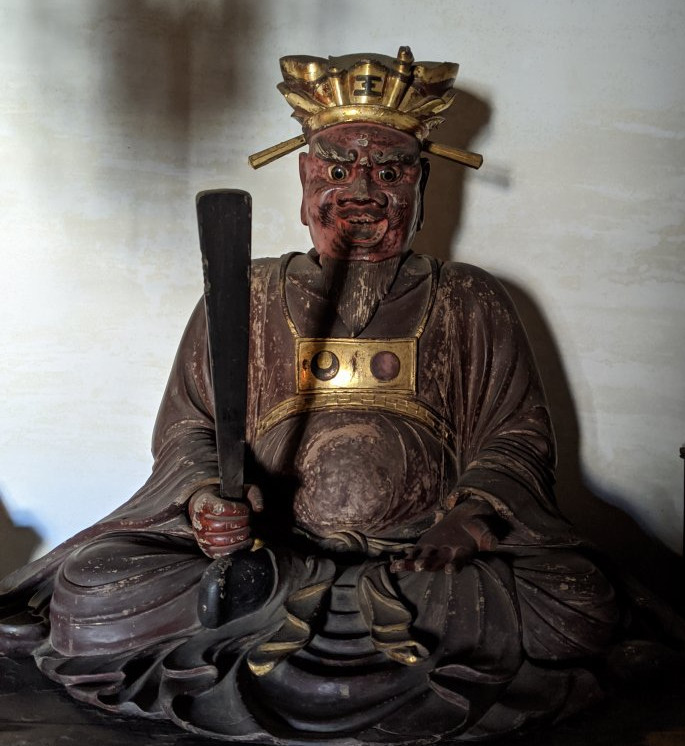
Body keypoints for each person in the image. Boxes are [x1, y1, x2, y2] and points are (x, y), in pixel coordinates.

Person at [0, 47, 620, 742]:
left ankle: (288, 632)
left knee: (575, 602)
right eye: (336, 169)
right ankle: (288, 614)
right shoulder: (250, 293)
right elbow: (189, 431)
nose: (361, 191)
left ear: (422, 186)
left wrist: (468, 521)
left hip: (422, 564)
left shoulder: (469, 300)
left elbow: (516, 436)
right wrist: (210, 500)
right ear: (302, 179)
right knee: (92, 595)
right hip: (265, 556)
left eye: (389, 172)